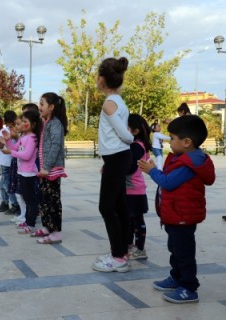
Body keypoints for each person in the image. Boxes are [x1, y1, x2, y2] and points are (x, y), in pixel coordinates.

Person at [138, 115, 215, 304]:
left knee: (184, 252)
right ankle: (177, 277)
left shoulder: (190, 163)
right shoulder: (183, 157)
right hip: (176, 214)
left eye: (172, 138)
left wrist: (152, 171)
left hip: (183, 216)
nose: (168, 141)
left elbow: (168, 182)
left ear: (187, 142)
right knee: (175, 249)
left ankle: (189, 287)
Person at [92, 57, 134, 273]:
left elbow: (126, 136)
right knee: (118, 205)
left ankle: (118, 257)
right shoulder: (118, 100)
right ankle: (123, 251)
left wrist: (129, 138)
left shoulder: (109, 103)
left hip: (118, 157)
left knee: (106, 207)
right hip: (116, 158)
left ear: (102, 79)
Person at [34, 92, 68, 244]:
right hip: (45, 170)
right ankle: (48, 227)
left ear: (52, 107)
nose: (39, 107)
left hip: (52, 170)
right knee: (44, 201)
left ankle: (57, 233)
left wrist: (46, 167)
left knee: (53, 202)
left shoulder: (55, 124)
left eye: (42, 104)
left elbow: (55, 146)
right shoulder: (46, 122)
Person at [1, 110, 42, 235]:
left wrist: (11, 153)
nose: (22, 124)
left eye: (25, 122)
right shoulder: (23, 137)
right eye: (22, 121)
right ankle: (27, 221)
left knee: (31, 200)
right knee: (25, 197)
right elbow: (14, 148)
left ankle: (31, 224)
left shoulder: (32, 138)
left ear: (33, 124)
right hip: (22, 172)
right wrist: (8, 140)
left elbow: (27, 155)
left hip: (29, 173)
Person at [126, 114, 152, 260]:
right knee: (129, 220)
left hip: (134, 190)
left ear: (135, 131)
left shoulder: (137, 146)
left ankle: (140, 249)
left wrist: (113, 169)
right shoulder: (136, 145)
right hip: (130, 189)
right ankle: (129, 245)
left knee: (136, 221)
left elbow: (129, 167)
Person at [0, 110, 20, 214]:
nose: (11, 125)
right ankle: (5, 202)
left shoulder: (18, 132)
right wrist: (1, 141)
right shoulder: (3, 130)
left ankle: (15, 204)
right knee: (3, 184)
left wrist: (15, 136)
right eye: (9, 123)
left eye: (13, 123)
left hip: (12, 162)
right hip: (3, 162)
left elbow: (20, 145)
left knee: (8, 184)